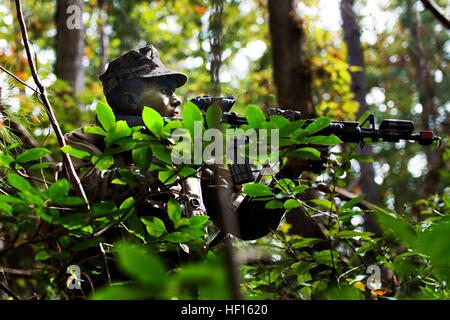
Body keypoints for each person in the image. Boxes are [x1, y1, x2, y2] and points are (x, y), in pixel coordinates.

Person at [62, 44, 327, 243]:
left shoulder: (189, 150)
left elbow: (246, 223)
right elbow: (85, 192)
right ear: (131, 100)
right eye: (166, 92)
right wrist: (171, 160)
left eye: (175, 92)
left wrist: (290, 172)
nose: (178, 100)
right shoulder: (86, 139)